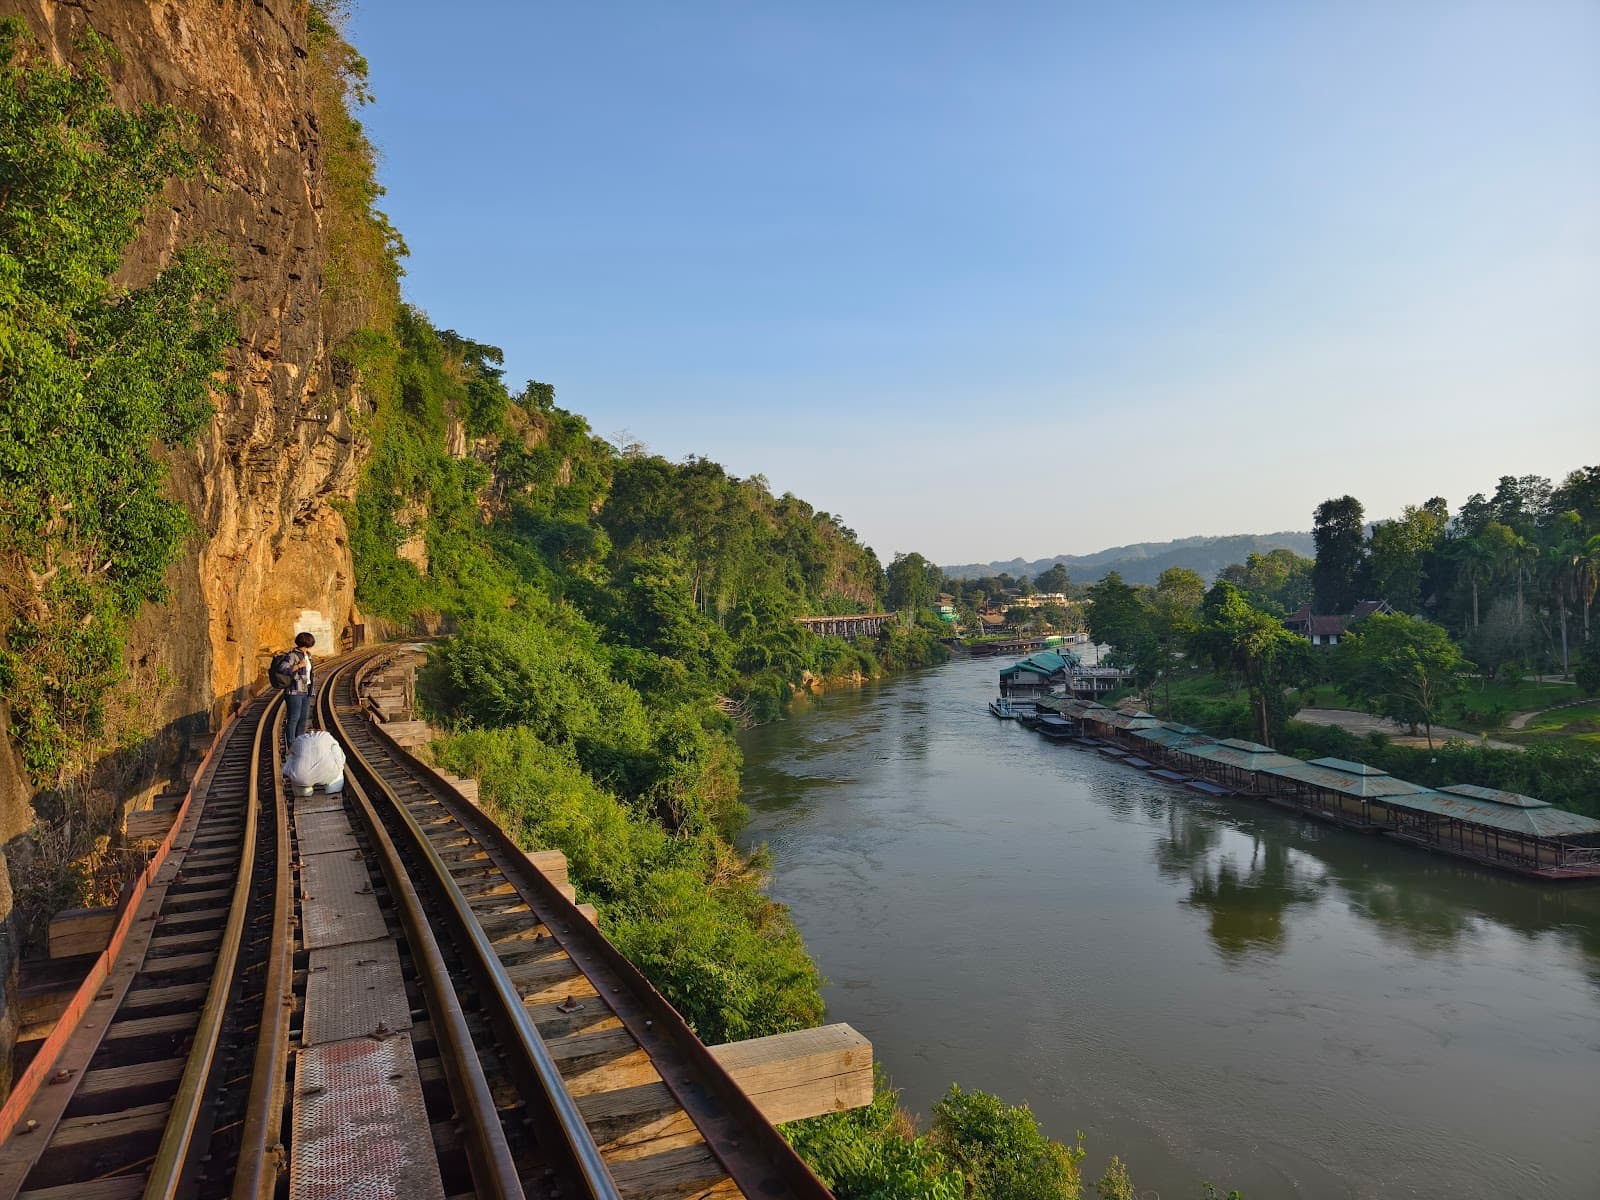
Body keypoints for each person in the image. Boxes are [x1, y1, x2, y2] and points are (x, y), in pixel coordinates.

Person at [284, 631, 316, 747]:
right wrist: (298, 666)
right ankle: (291, 744)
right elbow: (284, 668)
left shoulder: (307, 655)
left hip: (305, 691)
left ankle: (299, 743)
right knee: (294, 718)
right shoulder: (293, 655)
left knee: (303, 719)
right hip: (294, 691)